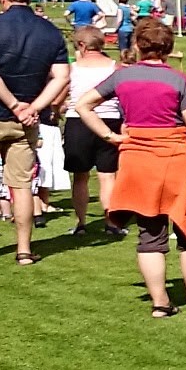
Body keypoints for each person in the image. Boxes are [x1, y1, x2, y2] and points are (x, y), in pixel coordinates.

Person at [74, 17, 186, 318]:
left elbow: (83, 105)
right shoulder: (179, 80)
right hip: (176, 159)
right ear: (168, 48)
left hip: (138, 160)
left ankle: (160, 303)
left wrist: (110, 136)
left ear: (138, 45)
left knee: (150, 233)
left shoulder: (122, 77)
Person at [0, 0, 70, 265]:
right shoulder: (50, 31)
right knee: (22, 186)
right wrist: (32, 108)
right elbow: (62, 76)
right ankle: (24, 250)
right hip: (26, 121)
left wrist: (14, 105)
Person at [63, 26, 123, 236]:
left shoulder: (73, 69)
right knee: (108, 176)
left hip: (78, 121)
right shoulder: (115, 67)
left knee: (80, 176)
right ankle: (111, 223)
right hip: (109, 120)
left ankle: (81, 223)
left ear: (81, 45)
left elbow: (61, 94)